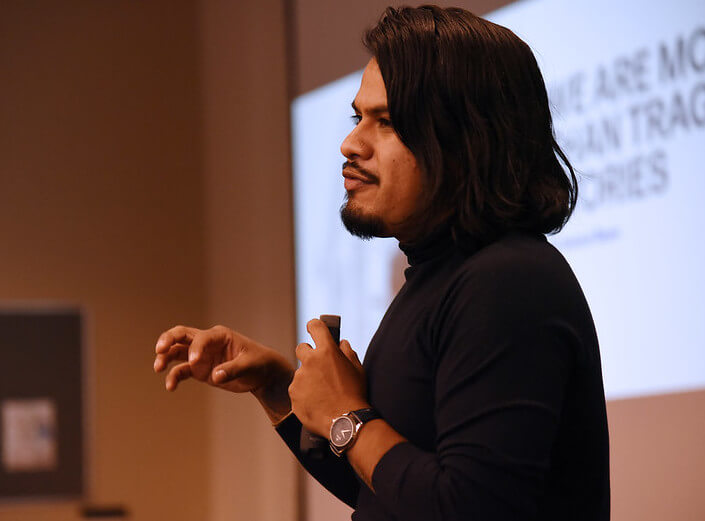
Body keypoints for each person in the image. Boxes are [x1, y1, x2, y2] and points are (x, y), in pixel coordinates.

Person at [153, 5, 610, 521]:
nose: (350, 143)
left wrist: (345, 413)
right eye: (358, 117)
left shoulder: (508, 282)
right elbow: (389, 492)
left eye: (387, 122)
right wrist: (281, 390)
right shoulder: (439, 278)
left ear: (467, 139)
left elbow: (469, 508)